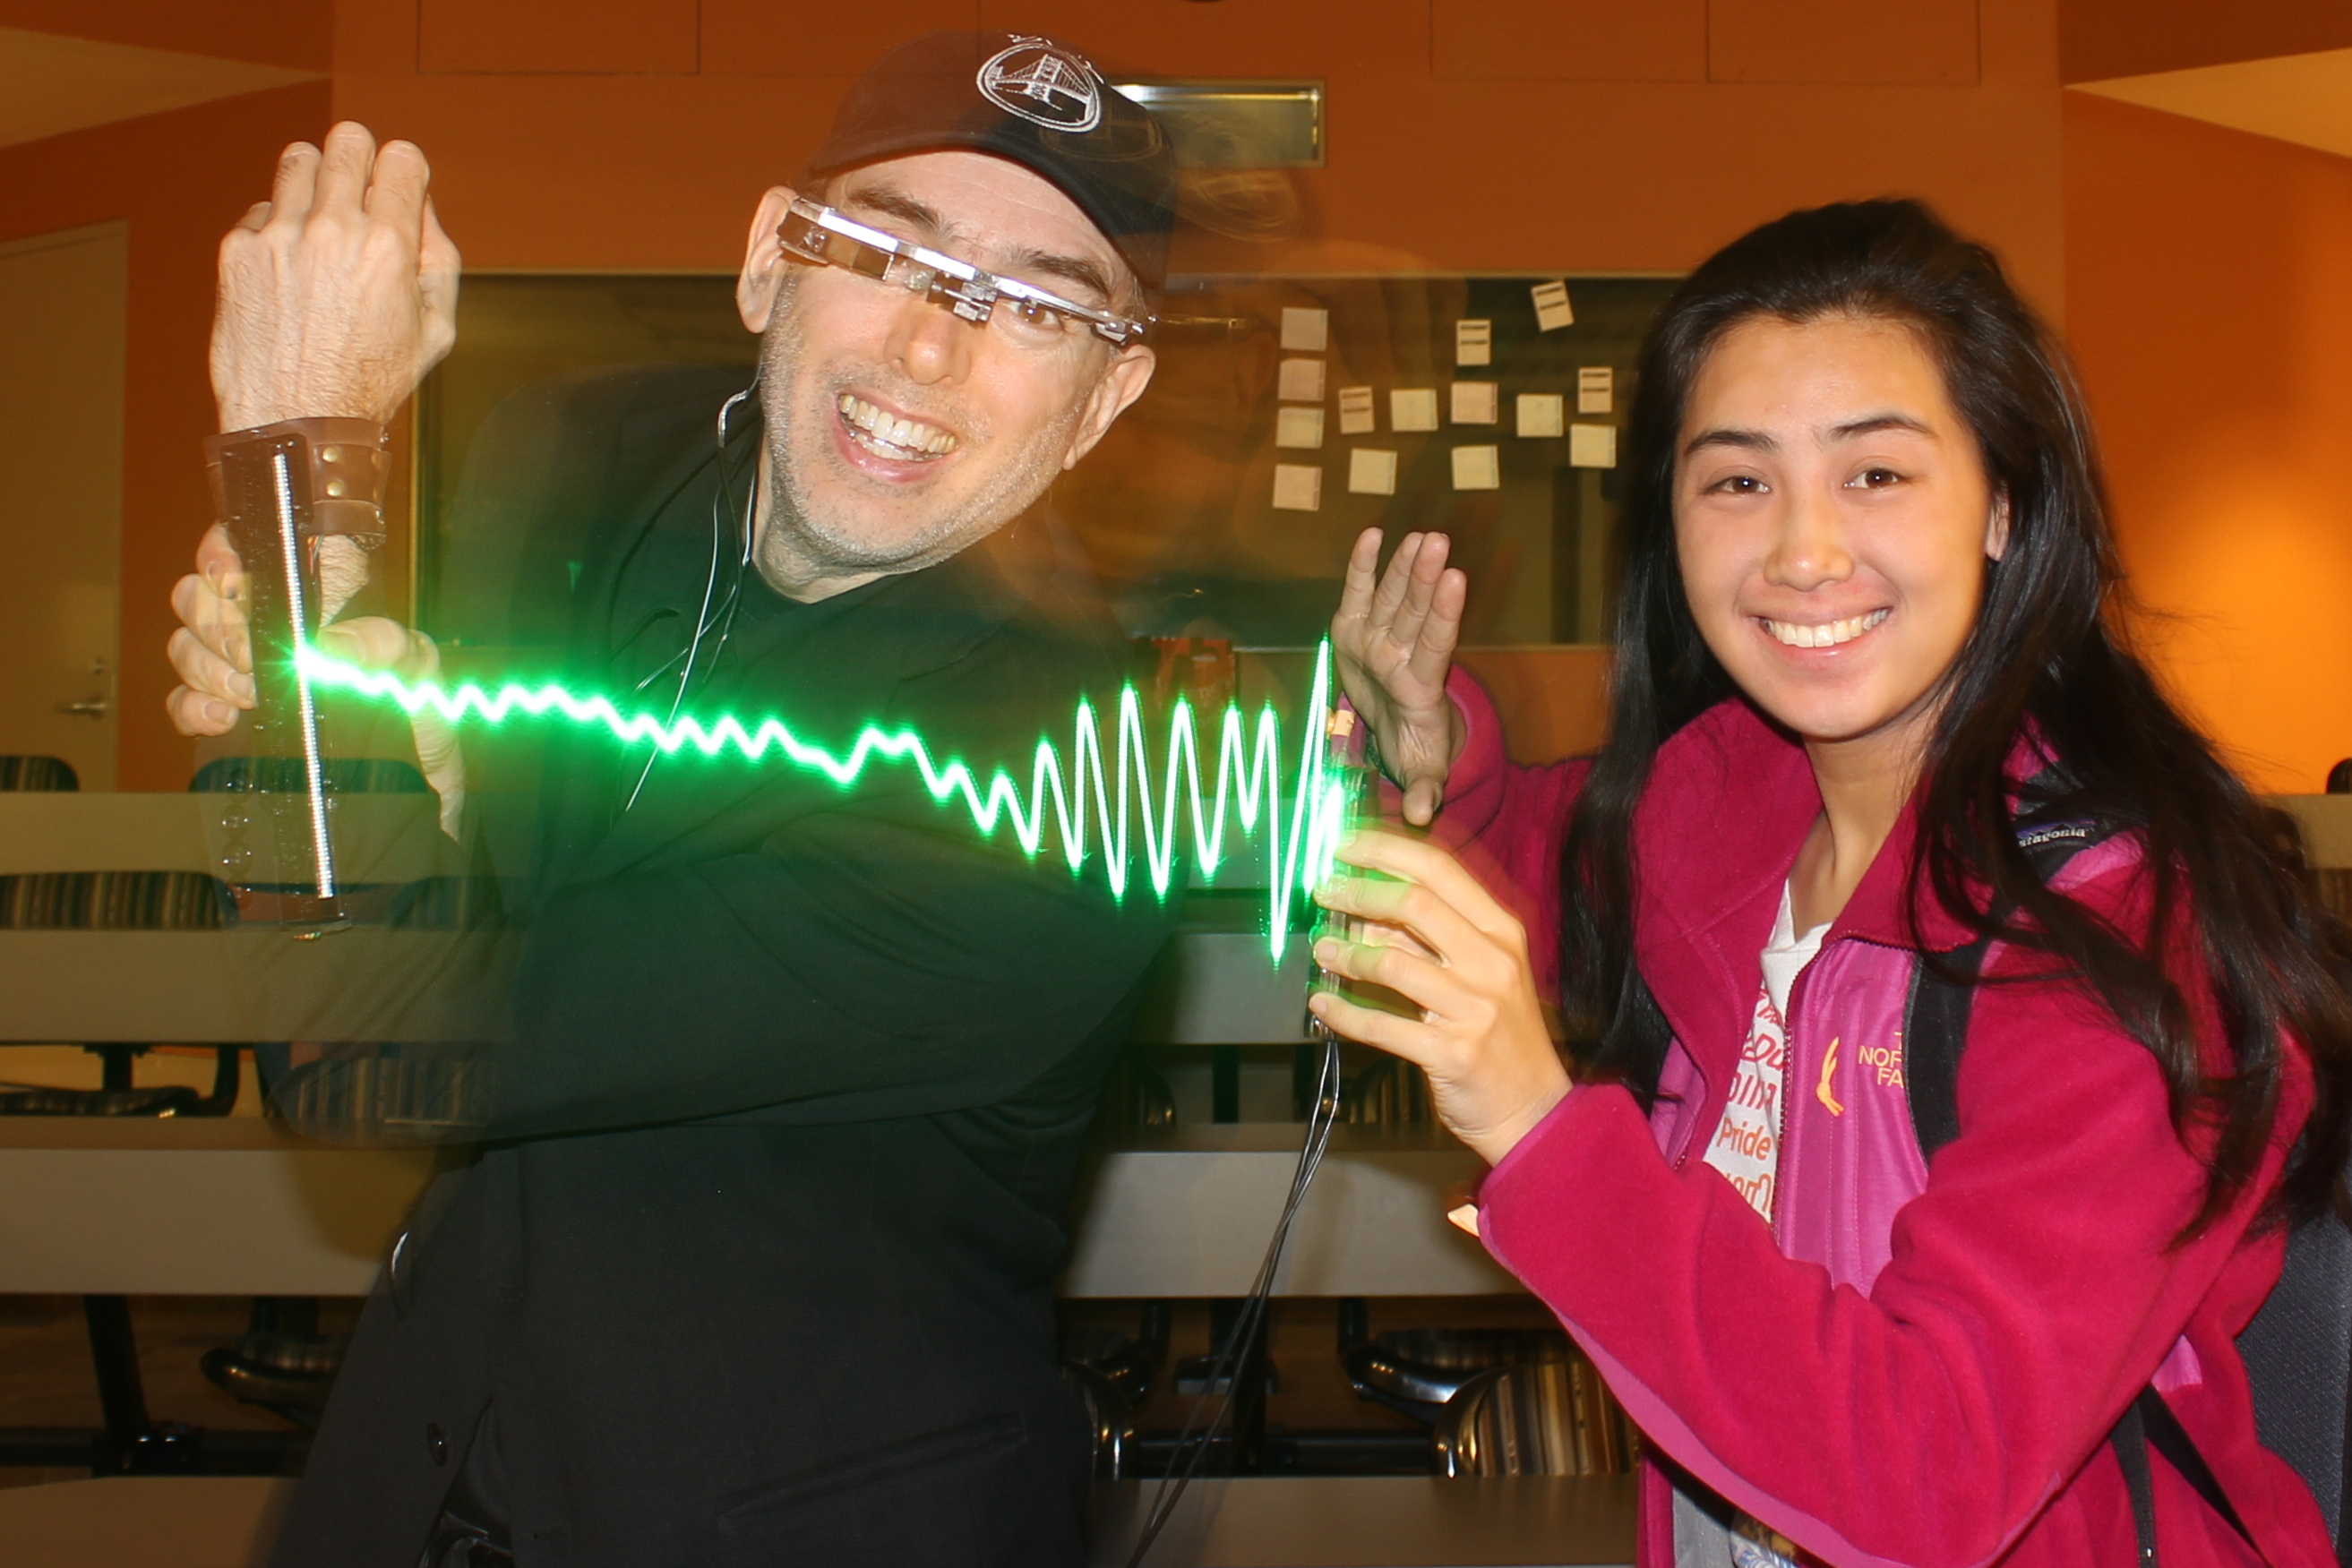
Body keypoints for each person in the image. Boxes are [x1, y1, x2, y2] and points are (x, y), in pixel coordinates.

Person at [165, 31, 1184, 1568]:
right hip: (410, 1475)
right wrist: (332, 714)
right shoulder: (576, 475)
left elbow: (363, 1048)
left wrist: (297, 469)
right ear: (771, 258)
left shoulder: (1063, 793)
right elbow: (468, 906)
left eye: (1038, 306)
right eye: (886, 253)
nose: (929, 352)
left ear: (1106, 397)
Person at [1323, 200, 2352, 1566]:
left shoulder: (2114, 933)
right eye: (1736, 482)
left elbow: (1935, 1469)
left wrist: (1538, 1127)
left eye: (1874, 473)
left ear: (2001, 505)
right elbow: (1538, 875)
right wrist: (1436, 762)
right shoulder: (1721, 800)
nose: (1803, 553)